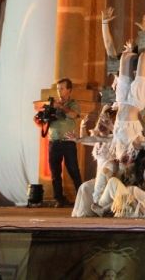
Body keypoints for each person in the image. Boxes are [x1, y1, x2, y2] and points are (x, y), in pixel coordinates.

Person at [48, 77, 83, 207]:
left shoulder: (73, 104)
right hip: (53, 142)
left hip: (68, 142)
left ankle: (81, 198)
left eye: (62, 88)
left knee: (73, 171)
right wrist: (40, 119)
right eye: (58, 89)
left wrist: (61, 107)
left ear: (69, 90)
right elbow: (43, 122)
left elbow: (73, 115)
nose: (59, 91)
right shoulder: (51, 105)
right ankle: (59, 199)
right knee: (55, 173)